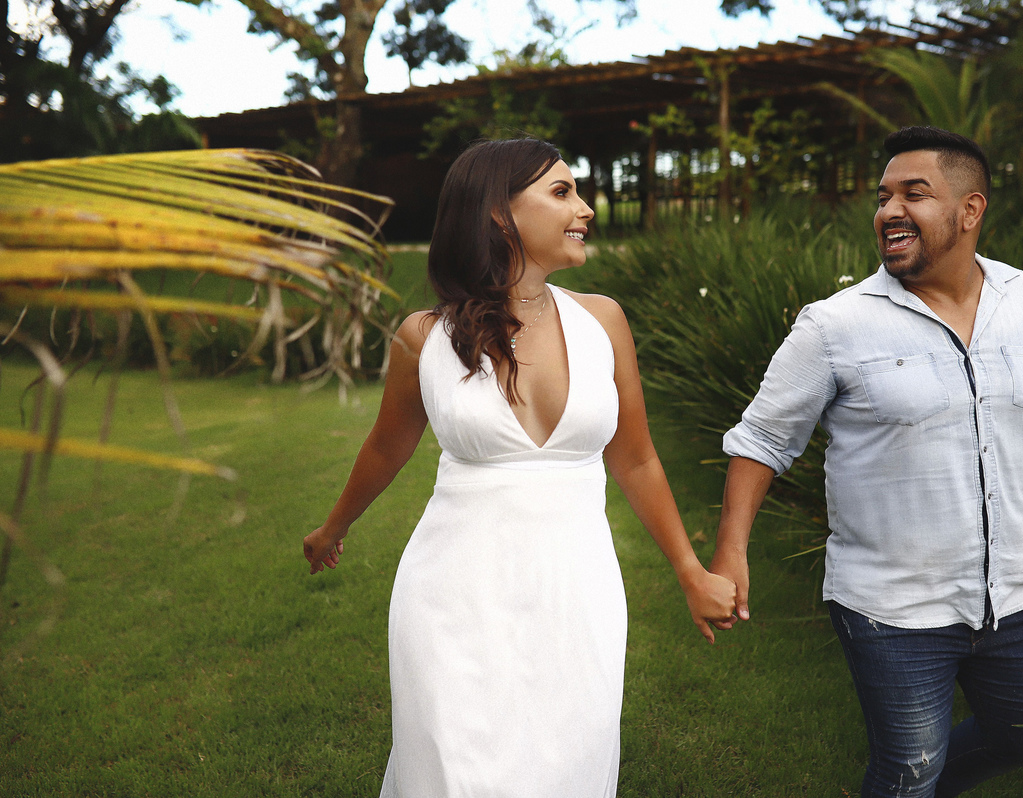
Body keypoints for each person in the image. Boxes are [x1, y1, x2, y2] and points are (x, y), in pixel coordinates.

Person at [302, 137, 736, 798]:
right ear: (499, 215)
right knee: (453, 773)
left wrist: (688, 570)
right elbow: (387, 447)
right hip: (451, 596)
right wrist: (333, 528)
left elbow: (637, 457)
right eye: (562, 192)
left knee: (569, 768)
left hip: (576, 592)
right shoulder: (424, 336)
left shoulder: (604, 322)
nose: (585, 208)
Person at [711, 126, 1023, 797]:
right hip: (890, 607)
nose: (888, 211)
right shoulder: (834, 326)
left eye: (914, 194)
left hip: (1015, 593)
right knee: (909, 770)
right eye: (883, 197)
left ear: (970, 210)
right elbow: (761, 440)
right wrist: (731, 551)